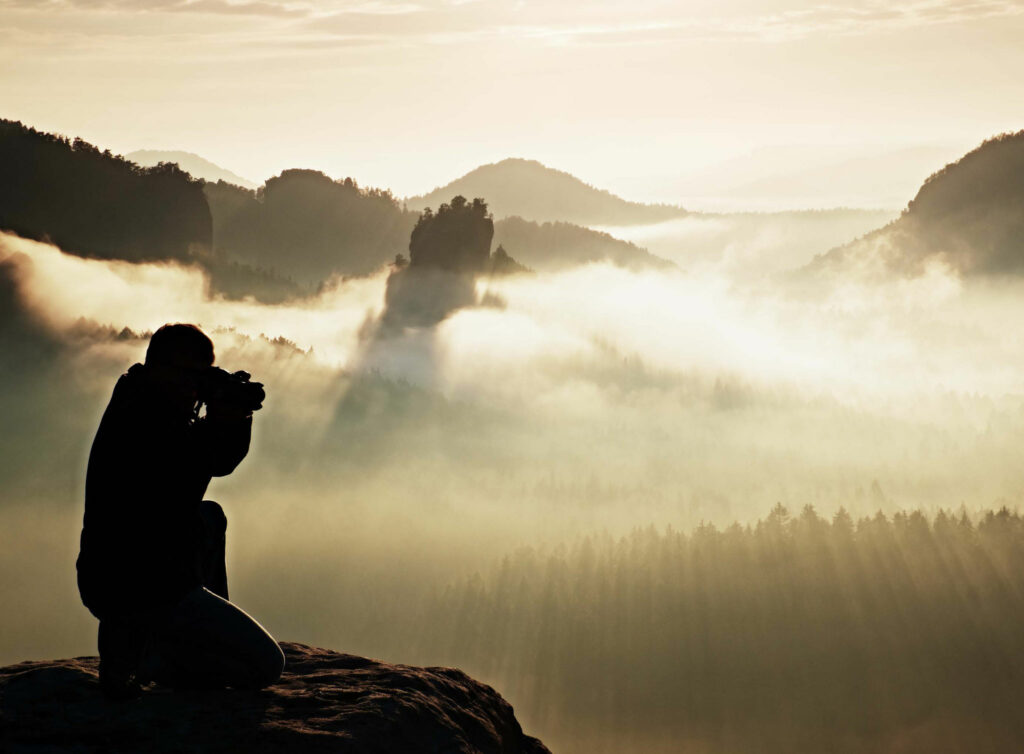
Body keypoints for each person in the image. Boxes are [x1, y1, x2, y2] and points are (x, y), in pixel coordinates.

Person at [76, 323, 284, 699]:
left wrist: (226, 414)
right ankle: (152, 661)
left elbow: (202, 469)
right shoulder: (145, 420)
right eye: (190, 374)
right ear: (157, 366)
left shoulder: (142, 399)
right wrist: (228, 416)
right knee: (267, 665)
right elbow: (209, 461)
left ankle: (165, 644)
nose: (196, 385)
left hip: (126, 574)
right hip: (141, 587)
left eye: (203, 374)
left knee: (209, 516)